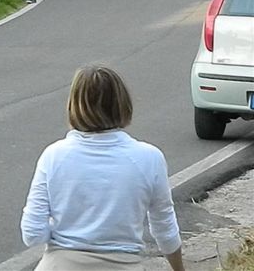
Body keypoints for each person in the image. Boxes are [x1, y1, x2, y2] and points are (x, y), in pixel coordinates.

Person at [21, 65, 185, 271]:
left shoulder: (53, 156)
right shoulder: (149, 158)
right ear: (122, 104)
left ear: (73, 106)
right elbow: (165, 229)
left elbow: (32, 234)